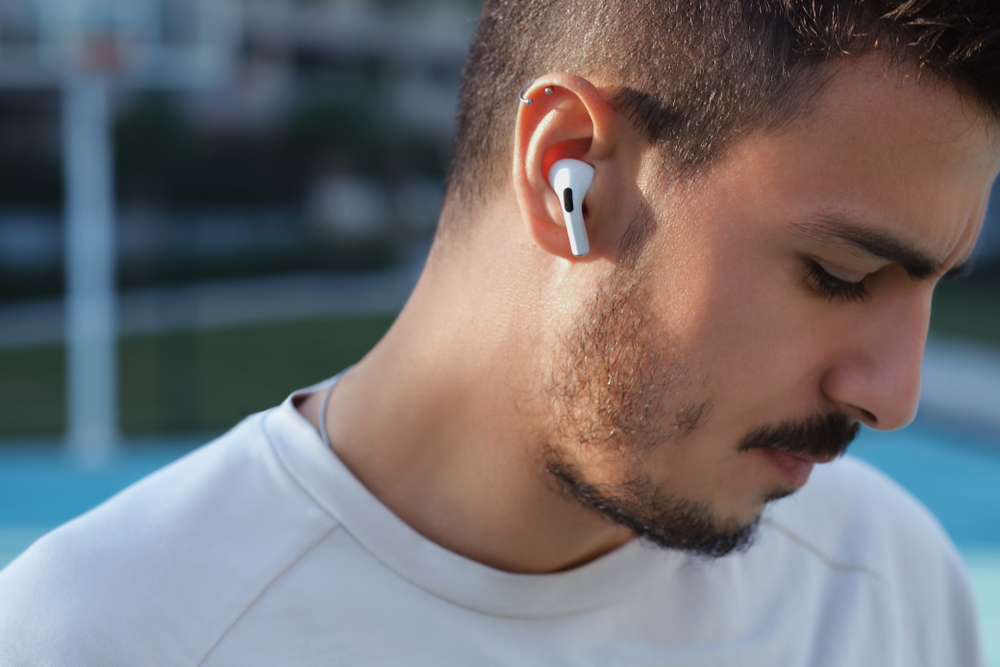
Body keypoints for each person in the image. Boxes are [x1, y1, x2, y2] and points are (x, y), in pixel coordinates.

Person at [2, 1, 998, 664]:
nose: (894, 395)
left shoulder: (884, 588)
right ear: (568, 173)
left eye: (933, 287)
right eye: (839, 275)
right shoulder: (103, 636)